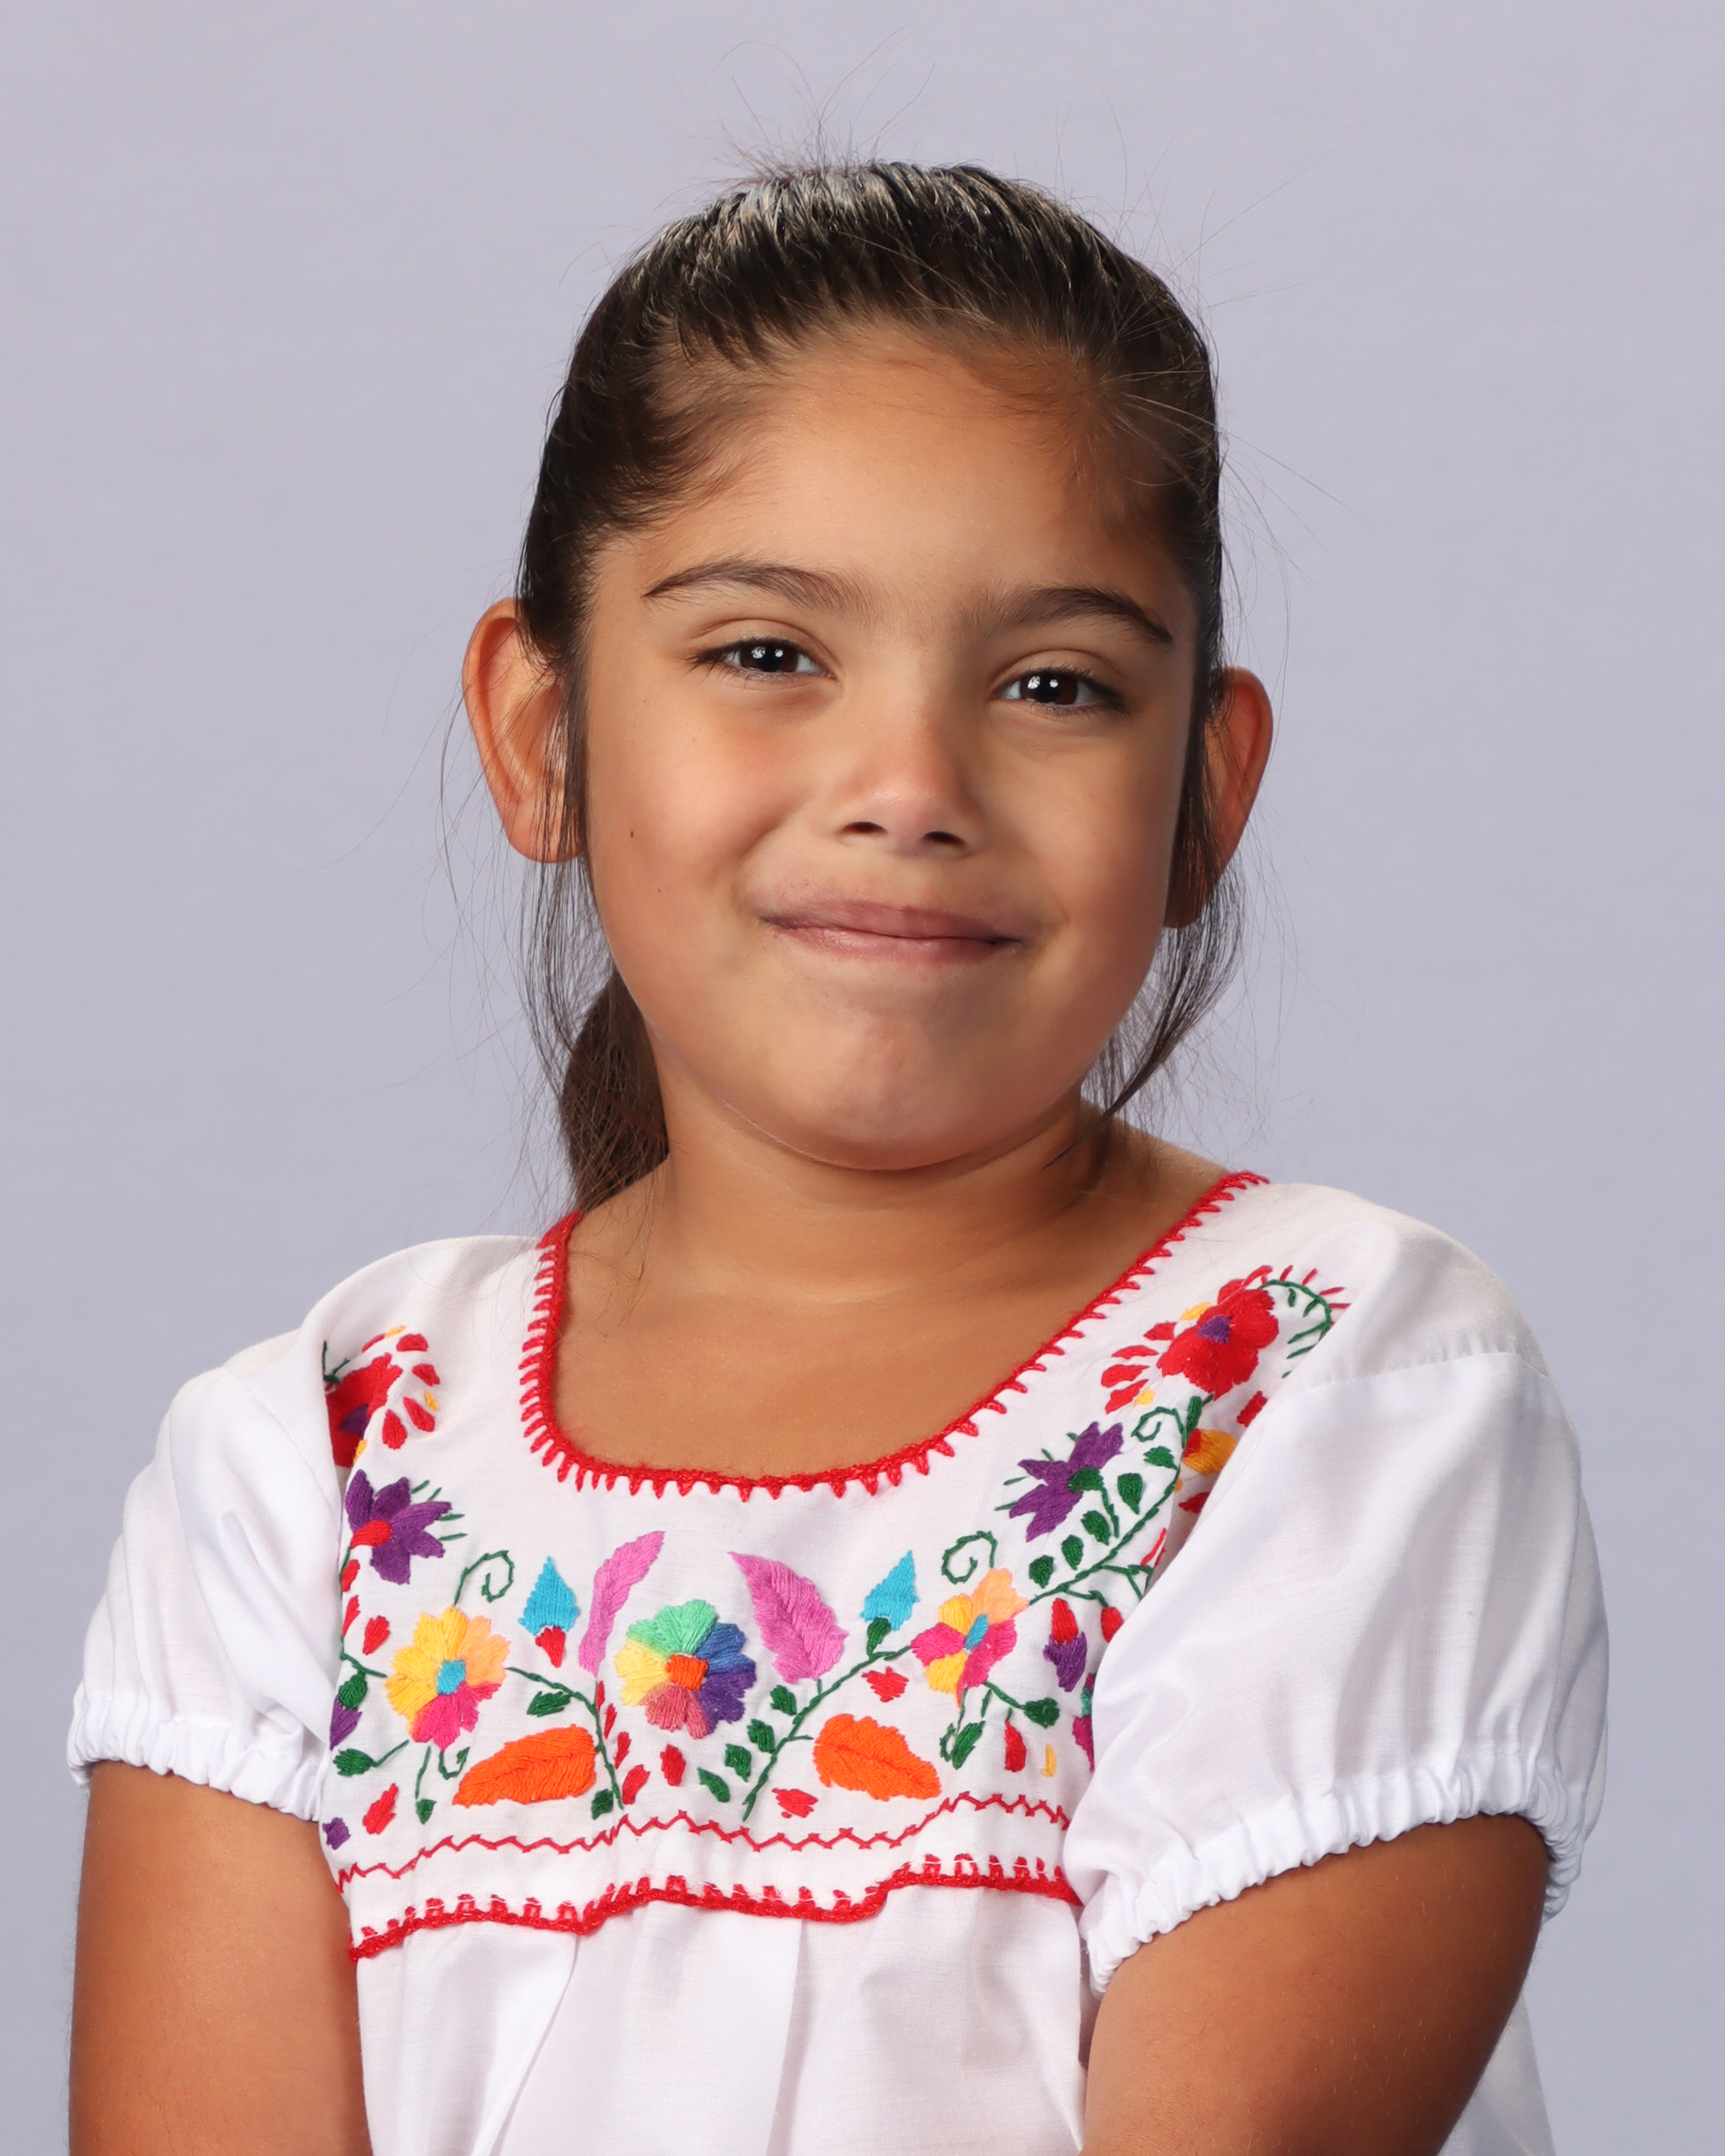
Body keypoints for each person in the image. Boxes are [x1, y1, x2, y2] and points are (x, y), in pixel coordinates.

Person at [66, 163, 1606, 2156]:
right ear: (542, 730)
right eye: (767, 654)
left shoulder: (1325, 1384)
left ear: (1204, 791)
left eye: (1054, 685)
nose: (909, 787)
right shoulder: (314, 1472)